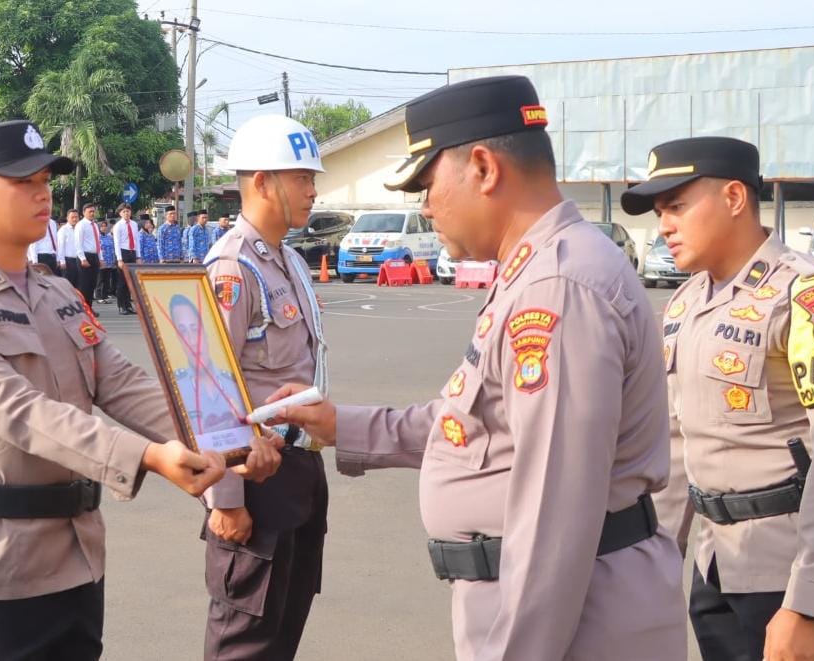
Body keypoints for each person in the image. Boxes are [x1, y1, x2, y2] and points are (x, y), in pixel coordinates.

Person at [267, 76, 687, 659]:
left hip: (572, 621)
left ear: (484, 168)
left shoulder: (557, 288)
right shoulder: (535, 271)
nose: (424, 205)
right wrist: (341, 425)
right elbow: (473, 423)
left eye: (427, 184)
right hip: (559, 611)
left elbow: (553, 523)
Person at [0, 120, 283, 661]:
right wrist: (148, 456)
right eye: (24, 183)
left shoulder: (57, 293)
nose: (43, 194)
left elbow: (122, 382)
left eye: (45, 181)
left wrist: (231, 433)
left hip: (78, 558)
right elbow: (21, 412)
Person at [621, 137, 814, 661]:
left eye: (676, 206)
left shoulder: (810, 294)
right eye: (659, 212)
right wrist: (653, 573)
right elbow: (677, 447)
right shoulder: (685, 302)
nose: (664, 227)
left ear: (735, 198)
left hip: (796, 575)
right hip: (717, 568)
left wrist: (809, 604)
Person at [200, 114, 330, 660]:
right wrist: (225, 498)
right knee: (245, 643)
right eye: (301, 177)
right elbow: (208, 385)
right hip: (254, 478)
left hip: (298, 471)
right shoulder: (232, 267)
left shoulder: (289, 260)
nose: (312, 189)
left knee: (282, 635)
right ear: (260, 182)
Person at [167, 294, 248, 443]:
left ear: (205, 333)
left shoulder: (235, 384)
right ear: (178, 340)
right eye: (183, 332)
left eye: (195, 329)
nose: (192, 341)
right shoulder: (174, 389)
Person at [112, 203, 139, 315]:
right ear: (120, 213)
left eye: (128, 211)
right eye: (124, 211)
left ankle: (128, 305)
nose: (126, 213)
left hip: (132, 252)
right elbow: (116, 243)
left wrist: (138, 256)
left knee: (130, 281)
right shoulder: (118, 225)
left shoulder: (134, 224)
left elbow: (137, 241)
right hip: (123, 253)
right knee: (122, 281)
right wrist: (119, 259)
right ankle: (121, 306)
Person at [75, 203, 102, 314]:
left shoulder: (95, 225)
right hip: (85, 256)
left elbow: (98, 243)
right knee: (84, 285)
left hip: (94, 256)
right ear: (84, 212)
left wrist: (100, 258)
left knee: (92, 284)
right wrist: (82, 258)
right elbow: (78, 243)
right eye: (90, 211)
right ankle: (83, 309)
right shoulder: (81, 225)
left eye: (93, 211)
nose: (92, 213)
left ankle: (89, 308)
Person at [57, 208, 80, 289]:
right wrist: (62, 261)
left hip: (79, 260)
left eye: (76, 217)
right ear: (67, 218)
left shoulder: (79, 229)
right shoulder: (63, 230)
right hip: (68, 261)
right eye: (72, 217)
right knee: (67, 286)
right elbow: (60, 246)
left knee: (78, 285)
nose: (75, 219)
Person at [97, 220, 117, 305]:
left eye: (105, 226)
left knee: (106, 280)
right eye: (102, 226)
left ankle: (105, 296)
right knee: (100, 279)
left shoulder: (109, 237)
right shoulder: (97, 237)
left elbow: (113, 249)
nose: (104, 228)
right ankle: (99, 296)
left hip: (109, 262)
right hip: (102, 261)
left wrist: (113, 260)